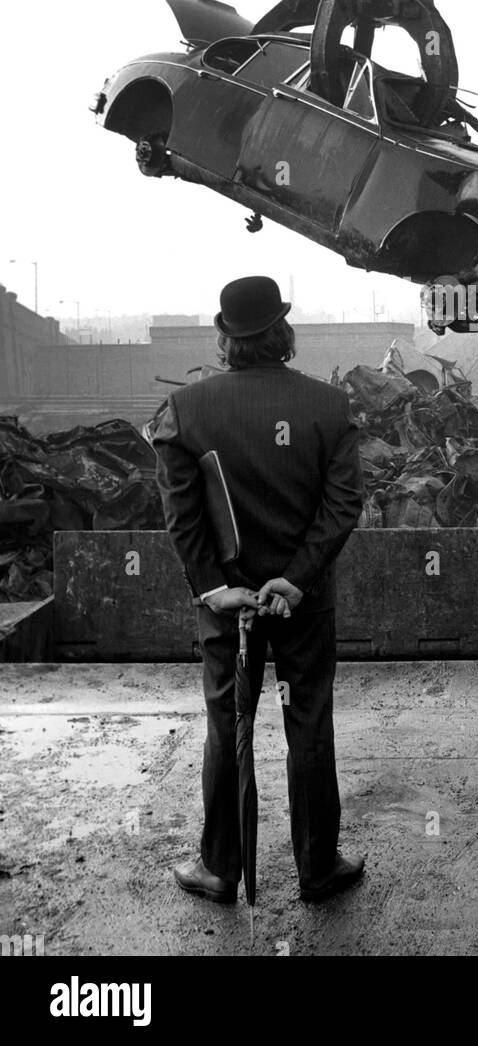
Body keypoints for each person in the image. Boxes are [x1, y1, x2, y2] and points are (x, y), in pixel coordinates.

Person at [151, 275, 366, 905]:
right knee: (308, 724)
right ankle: (317, 869)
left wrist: (217, 589)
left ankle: (221, 869)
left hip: (230, 612)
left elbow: (180, 515)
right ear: (283, 331)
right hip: (300, 604)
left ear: (225, 336)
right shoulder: (328, 406)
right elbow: (343, 503)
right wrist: (295, 581)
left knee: (228, 723)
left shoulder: (190, 410)